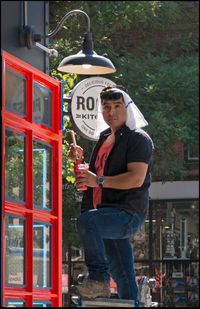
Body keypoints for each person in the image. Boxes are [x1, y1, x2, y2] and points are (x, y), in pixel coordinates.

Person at [68, 86, 154, 304]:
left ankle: (98, 279)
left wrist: (96, 180)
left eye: (117, 106)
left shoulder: (139, 139)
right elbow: (98, 176)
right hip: (104, 212)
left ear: (128, 109)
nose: (111, 112)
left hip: (126, 214)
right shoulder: (105, 137)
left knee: (87, 222)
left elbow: (135, 178)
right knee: (124, 275)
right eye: (106, 107)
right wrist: (81, 164)